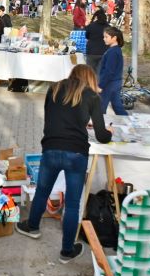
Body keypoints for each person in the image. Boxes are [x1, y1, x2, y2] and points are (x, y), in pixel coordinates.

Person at [15, 65, 112, 263]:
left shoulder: (55, 88)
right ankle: (67, 251)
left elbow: (53, 116)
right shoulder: (92, 96)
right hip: (76, 153)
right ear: (89, 78)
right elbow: (102, 137)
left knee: (42, 190)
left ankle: (32, 226)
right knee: (73, 203)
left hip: (51, 148)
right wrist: (108, 132)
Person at [98, 27, 128, 115]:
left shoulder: (113, 52)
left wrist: (100, 86)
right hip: (115, 82)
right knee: (117, 106)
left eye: (106, 37)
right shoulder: (114, 50)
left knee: (100, 107)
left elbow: (109, 71)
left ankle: (98, 126)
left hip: (110, 83)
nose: (104, 39)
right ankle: (129, 122)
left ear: (114, 38)